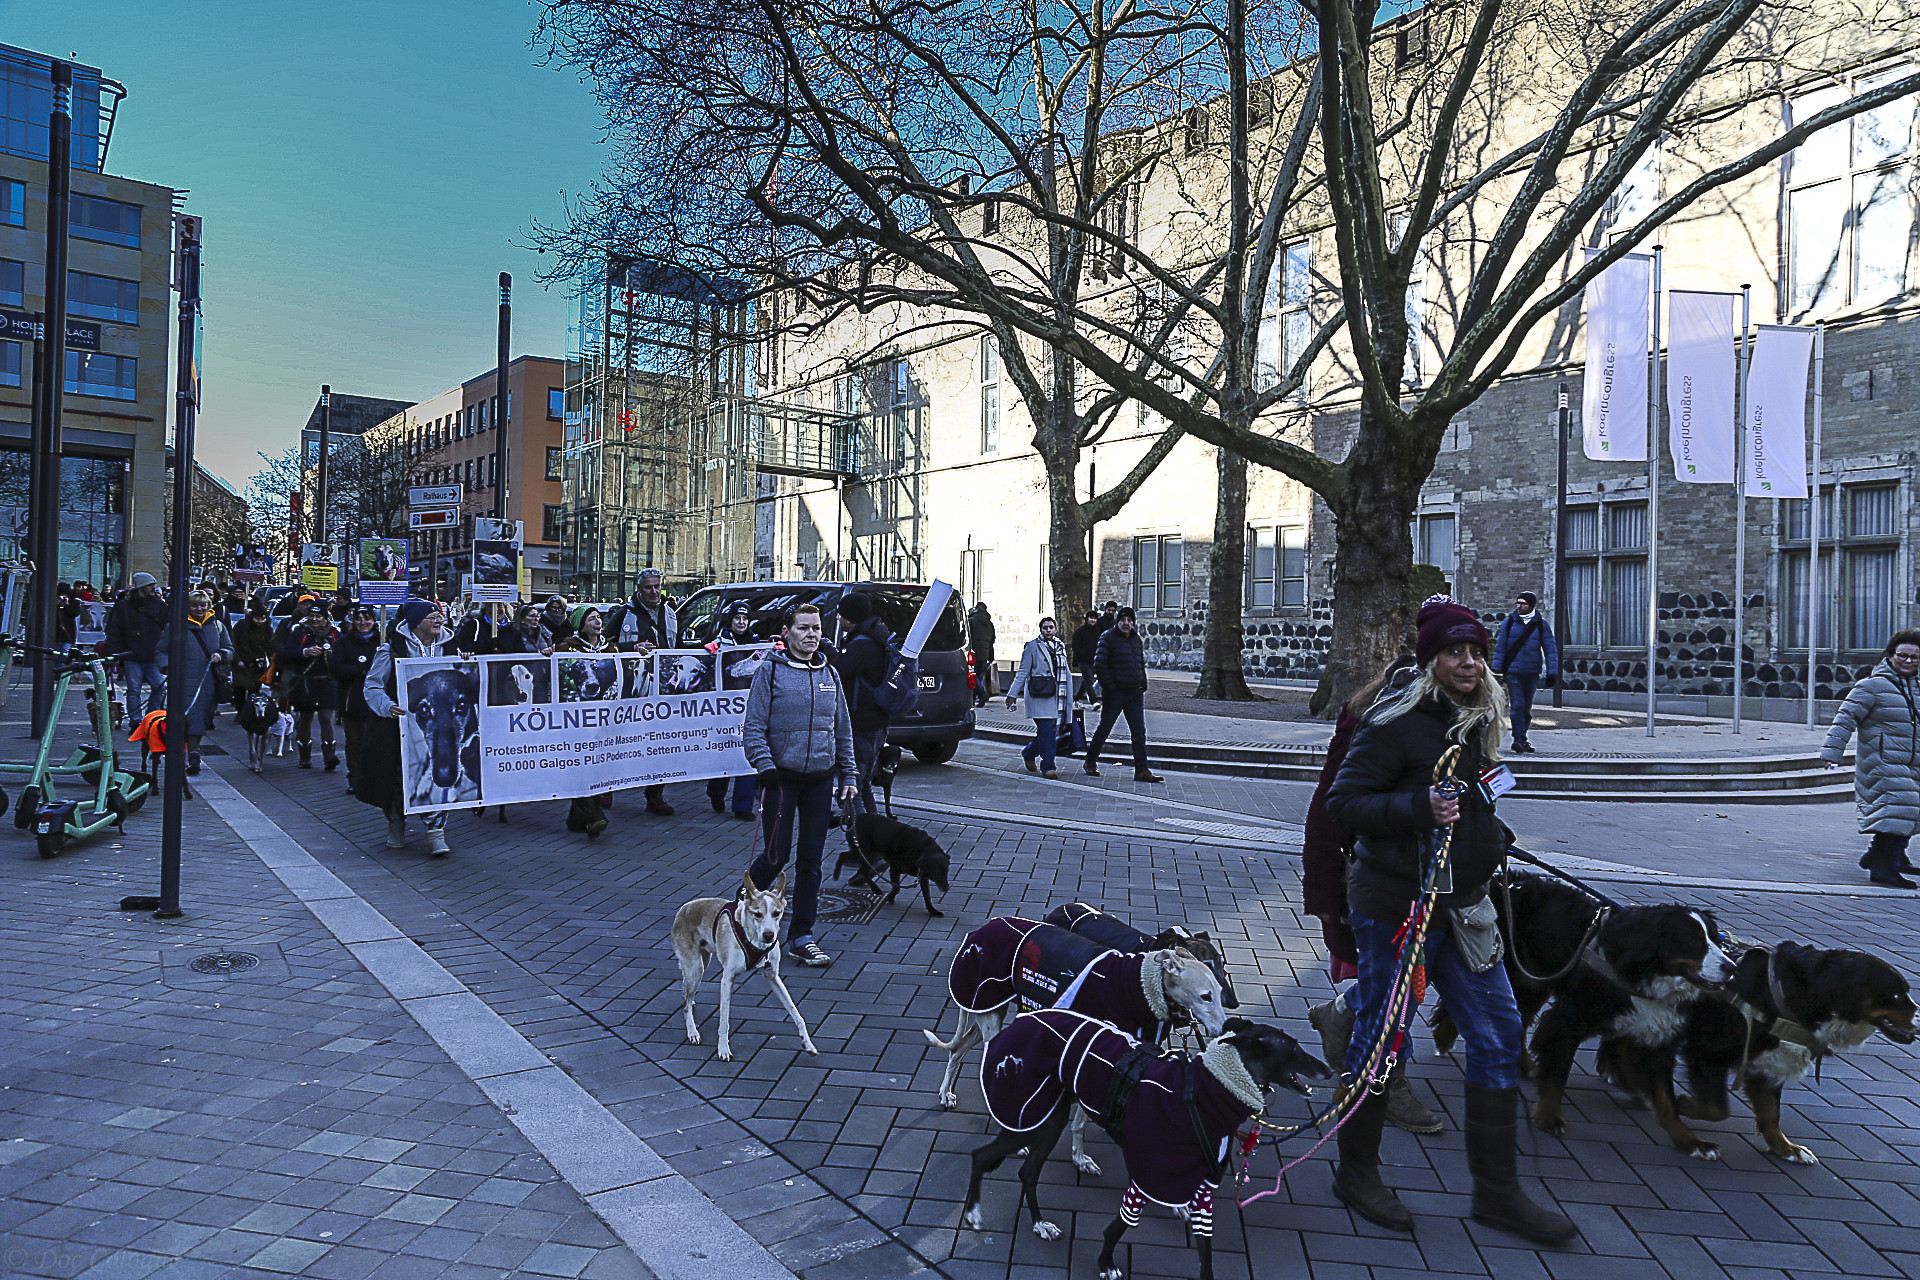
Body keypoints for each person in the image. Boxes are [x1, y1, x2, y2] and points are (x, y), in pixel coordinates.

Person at [1324, 596, 1576, 1244]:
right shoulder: (1393, 722)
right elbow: (1344, 803)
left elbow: (1475, 801)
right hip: (1397, 910)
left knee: (1499, 1033)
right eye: (1454, 652)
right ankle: (1356, 1173)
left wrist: (1489, 838)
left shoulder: (1475, 720)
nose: (1468, 662)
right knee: (1381, 1040)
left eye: (1476, 653)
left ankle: (1497, 1193)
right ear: (1430, 659)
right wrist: (1418, 807)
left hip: (1463, 907)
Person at [1301, 654, 1444, 1135]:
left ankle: (1343, 1015)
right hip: (1382, 883)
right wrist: (1325, 895)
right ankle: (1381, 1080)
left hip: (1438, 883)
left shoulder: (1455, 722)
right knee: (1397, 984)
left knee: (1409, 981)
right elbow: (1329, 811)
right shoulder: (1375, 722)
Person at [743, 602, 857, 969]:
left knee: (811, 861)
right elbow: (753, 726)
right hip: (781, 779)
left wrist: (849, 775)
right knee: (776, 856)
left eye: (816, 628)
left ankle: (801, 936)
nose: (811, 635)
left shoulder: (829, 673)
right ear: (787, 632)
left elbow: (842, 729)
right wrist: (765, 766)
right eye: (803, 628)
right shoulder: (770, 671)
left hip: (819, 781)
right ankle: (742, 905)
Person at [1821, 630, 1920, 888]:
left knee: (1909, 810)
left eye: (1914, 657)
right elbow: (1845, 718)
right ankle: (1882, 868)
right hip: (1882, 761)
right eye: (1903, 655)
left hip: (1912, 762)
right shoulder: (1871, 686)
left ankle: (1884, 855)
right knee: (1901, 806)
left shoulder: (1918, 687)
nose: (1908, 661)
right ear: (1890, 655)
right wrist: (1832, 752)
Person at [355, 599, 453, 856]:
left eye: (440, 616)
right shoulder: (391, 650)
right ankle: (396, 825)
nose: (439, 621)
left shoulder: (452, 647)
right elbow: (373, 685)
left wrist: (468, 661)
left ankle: (436, 833)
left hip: (439, 729)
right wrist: (387, 706)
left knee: (437, 778)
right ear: (416, 623)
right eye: (432, 617)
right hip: (399, 728)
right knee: (397, 779)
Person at [609, 568, 678, 815]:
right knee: (622, 739)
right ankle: (606, 786)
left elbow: (676, 646)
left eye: (657, 586)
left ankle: (655, 795)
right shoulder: (623, 613)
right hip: (631, 689)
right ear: (639, 589)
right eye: (648, 587)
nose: (654, 591)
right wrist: (632, 647)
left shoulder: (670, 613)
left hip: (661, 688)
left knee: (659, 742)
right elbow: (605, 644)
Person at [158, 590, 234, 777]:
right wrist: (167, 667)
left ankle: (193, 753)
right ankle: (185, 755)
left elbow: (229, 648)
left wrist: (222, 654)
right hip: (182, 680)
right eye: (194, 605)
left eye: (203, 605)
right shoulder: (175, 626)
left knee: (201, 717)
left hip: (208, 681)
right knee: (182, 718)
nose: (199, 609)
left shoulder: (217, 626)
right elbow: (161, 651)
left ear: (209, 606)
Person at [1084, 607, 1161, 782]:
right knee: (1105, 728)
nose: (1126, 623)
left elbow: (1139, 662)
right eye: (1123, 620)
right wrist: (1110, 687)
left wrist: (1142, 682)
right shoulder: (1107, 637)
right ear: (1118, 621)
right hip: (1115, 693)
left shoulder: (1136, 639)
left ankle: (1142, 769)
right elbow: (1100, 664)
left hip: (1134, 692)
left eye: (1129, 620)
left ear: (1133, 622)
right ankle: (1090, 761)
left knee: (1139, 731)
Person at [834, 593, 894, 815]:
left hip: (861, 722)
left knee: (851, 787)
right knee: (864, 783)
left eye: (840, 614)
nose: (838, 618)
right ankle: (874, 829)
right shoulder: (877, 637)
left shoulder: (861, 645)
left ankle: (860, 831)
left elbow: (838, 672)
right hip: (878, 721)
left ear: (850, 618)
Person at [559, 606, 616, 836]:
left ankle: (575, 820)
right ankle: (594, 817)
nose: (597, 622)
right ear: (581, 625)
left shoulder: (610, 647)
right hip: (575, 717)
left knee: (594, 764)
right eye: (591, 619)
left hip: (602, 717)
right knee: (580, 764)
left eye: (599, 618)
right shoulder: (567, 647)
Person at [707, 603, 761, 819]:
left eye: (745, 618)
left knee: (747, 755)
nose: (741, 622)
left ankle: (742, 806)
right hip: (725, 709)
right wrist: (708, 653)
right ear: (730, 620)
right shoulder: (719, 642)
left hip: (750, 705)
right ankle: (716, 792)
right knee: (725, 752)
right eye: (737, 617)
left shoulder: (757, 642)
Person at [1490, 592, 1559, 754]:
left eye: (1523, 603)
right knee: (1517, 705)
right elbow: (1500, 648)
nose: (1519, 606)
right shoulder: (1509, 623)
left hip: (1532, 672)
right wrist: (1497, 669)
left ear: (1531, 605)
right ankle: (1518, 739)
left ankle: (1522, 737)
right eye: (1518, 603)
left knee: (1526, 708)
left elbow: (1550, 649)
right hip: (1513, 672)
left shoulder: (1542, 625)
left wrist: (1552, 673)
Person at [1006, 617, 1073, 779]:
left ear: (1055, 629)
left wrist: (1071, 698)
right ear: (1041, 630)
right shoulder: (1032, 647)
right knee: (1047, 730)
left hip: (1058, 697)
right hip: (1039, 696)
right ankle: (1048, 766)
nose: (1048, 630)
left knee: (1048, 732)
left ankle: (1029, 752)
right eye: (1045, 627)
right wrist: (1012, 694)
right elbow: (1022, 672)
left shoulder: (1060, 647)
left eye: (1051, 627)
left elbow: (1066, 673)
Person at [279, 599, 341, 771]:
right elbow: (286, 654)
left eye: (318, 616)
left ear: (325, 618)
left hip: (327, 682)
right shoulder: (299, 632)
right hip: (304, 682)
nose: (314, 619)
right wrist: (304, 652)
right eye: (312, 616)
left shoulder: (334, 633)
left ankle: (329, 757)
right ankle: (304, 757)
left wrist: (331, 655)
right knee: (305, 719)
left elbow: (343, 654)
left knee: (326, 718)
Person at [329, 605, 385, 790]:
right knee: (355, 741)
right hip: (352, 699)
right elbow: (335, 668)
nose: (363, 622)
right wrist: (360, 671)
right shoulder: (344, 643)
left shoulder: (383, 642)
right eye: (359, 619)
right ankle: (355, 778)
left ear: (374, 621)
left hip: (379, 700)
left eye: (367, 618)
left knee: (378, 741)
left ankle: (376, 778)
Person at [105, 572, 169, 726]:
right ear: (141, 586)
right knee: (134, 689)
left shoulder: (159, 605)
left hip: (152, 654)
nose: (153, 588)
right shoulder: (124, 606)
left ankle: (151, 717)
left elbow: (167, 627)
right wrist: (116, 653)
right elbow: (114, 630)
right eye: (149, 585)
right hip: (132, 654)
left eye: (153, 585)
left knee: (159, 687)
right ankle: (136, 720)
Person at [230, 599, 277, 698]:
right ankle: (239, 706)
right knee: (240, 687)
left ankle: (252, 705)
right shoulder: (241, 626)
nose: (259, 622)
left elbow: (270, 646)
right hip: (242, 661)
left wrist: (272, 661)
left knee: (255, 687)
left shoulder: (267, 629)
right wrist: (237, 659)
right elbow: (233, 643)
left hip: (258, 663)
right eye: (257, 619)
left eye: (262, 619)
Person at [1070, 610, 1102, 703]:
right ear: (1087, 619)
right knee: (1088, 680)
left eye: (1095, 618)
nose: (1093, 620)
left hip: (1093, 660)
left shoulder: (1097, 631)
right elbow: (1075, 645)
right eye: (1091, 618)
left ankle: (1076, 699)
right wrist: (1082, 654)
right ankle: (1093, 701)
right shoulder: (1080, 631)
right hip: (1082, 660)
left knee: (1086, 680)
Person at [967, 602, 996, 705]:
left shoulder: (972, 621)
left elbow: (967, 636)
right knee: (978, 676)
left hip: (973, 653)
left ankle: (982, 694)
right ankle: (974, 699)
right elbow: (992, 640)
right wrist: (990, 656)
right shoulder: (989, 624)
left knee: (972, 675)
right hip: (985, 654)